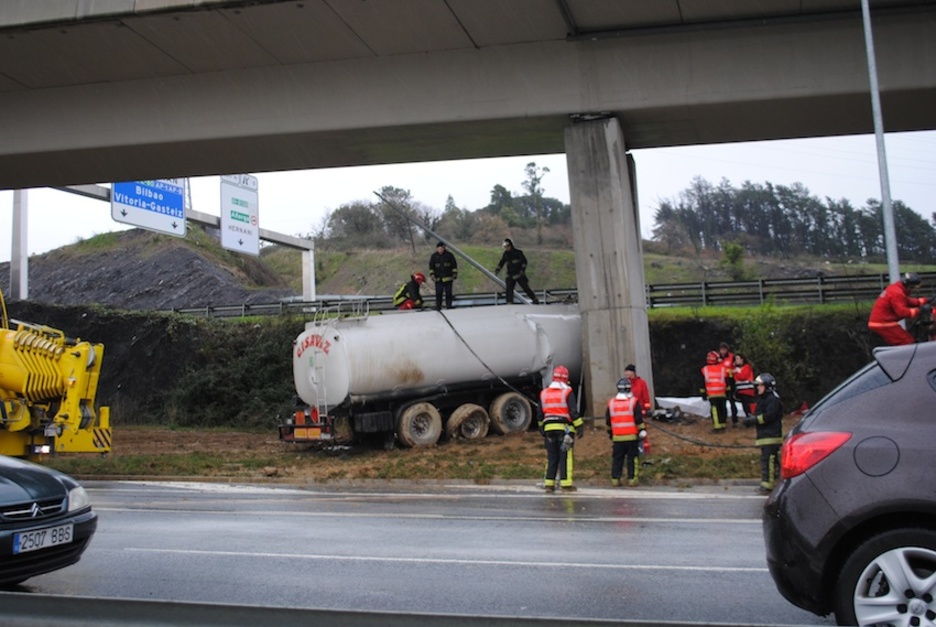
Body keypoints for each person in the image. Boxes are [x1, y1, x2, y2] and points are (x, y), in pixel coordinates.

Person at [537, 365, 584, 492]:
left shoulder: (544, 393)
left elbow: (540, 414)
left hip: (549, 430)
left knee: (552, 456)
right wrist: (579, 425)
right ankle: (566, 484)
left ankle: (549, 484)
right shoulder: (567, 392)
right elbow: (573, 412)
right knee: (565, 456)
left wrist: (541, 427)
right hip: (565, 430)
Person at [868, 272, 934, 346]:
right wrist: (920, 310)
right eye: (912, 287)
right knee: (906, 342)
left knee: (905, 341)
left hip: (881, 322)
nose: (912, 290)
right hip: (883, 323)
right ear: (908, 285)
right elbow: (902, 312)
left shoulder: (895, 289)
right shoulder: (897, 293)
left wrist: (926, 300)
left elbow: (907, 301)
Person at [744, 373, 784, 493]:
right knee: (769, 461)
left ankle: (768, 486)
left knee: (768, 461)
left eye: (760, 385)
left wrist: (754, 420)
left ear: (767, 386)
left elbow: (770, 416)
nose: (758, 388)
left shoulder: (773, 399)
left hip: (771, 436)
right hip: (765, 435)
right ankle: (776, 483)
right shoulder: (765, 399)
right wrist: (753, 418)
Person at [605, 377, 646, 487]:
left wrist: (611, 434)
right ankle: (632, 480)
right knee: (632, 460)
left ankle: (615, 480)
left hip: (617, 437)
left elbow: (608, 422)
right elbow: (638, 419)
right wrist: (642, 430)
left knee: (617, 459)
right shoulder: (633, 402)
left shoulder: (611, 403)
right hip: (631, 437)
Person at [494, 238, 539, 304]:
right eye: (505, 247)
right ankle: (509, 302)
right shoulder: (505, 254)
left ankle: (534, 299)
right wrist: (497, 270)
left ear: (510, 245)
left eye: (507, 246)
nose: (506, 248)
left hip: (519, 274)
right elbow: (502, 262)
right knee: (509, 289)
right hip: (510, 274)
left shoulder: (518, 253)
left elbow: (524, 262)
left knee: (525, 288)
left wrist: (522, 270)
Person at [623, 363, 652, 455]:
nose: (626, 373)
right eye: (625, 371)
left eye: (628, 371)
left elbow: (645, 396)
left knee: (642, 432)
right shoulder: (625, 383)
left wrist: (647, 409)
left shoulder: (641, 383)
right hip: (629, 413)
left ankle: (644, 451)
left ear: (633, 372)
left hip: (641, 412)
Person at [700, 350, 728, 432]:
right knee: (722, 409)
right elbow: (727, 381)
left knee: (715, 410)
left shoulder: (705, 369)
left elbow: (702, 383)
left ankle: (717, 427)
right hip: (722, 393)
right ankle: (723, 425)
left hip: (712, 394)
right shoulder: (723, 368)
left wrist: (703, 394)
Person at [428, 241, 458, 310]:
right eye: (438, 249)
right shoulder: (434, 256)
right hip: (438, 279)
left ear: (444, 248)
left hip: (448, 279)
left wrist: (454, 274)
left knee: (448, 293)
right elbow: (431, 267)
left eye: (441, 249)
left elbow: (454, 266)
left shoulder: (449, 255)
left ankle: (449, 306)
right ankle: (438, 307)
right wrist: (432, 275)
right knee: (438, 293)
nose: (440, 250)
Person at [718, 342, 738, 425]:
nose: (723, 351)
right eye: (721, 349)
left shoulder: (732, 357)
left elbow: (735, 368)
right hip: (720, 381)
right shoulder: (717, 357)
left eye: (724, 349)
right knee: (722, 401)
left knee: (732, 400)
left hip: (730, 380)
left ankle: (734, 420)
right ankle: (723, 419)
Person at [733, 353, 757, 418]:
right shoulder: (737, 369)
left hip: (747, 389)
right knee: (745, 405)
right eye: (735, 359)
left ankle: (751, 418)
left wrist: (736, 372)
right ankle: (749, 417)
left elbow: (743, 376)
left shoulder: (747, 367)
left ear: (742, 359)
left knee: (747, 405)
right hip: (741, 390)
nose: (736, 360)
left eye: (737, 359)